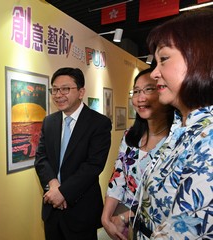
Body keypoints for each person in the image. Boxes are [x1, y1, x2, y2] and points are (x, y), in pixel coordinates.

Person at [134, 9, 213, 239]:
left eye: (164, 59)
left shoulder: (208, 140)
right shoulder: (183, 127)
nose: (155, 73)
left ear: (198, 57)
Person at [34, 67, 112, 240]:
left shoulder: (99, 123)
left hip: (81, 211)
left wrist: (63, 192)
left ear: (81, 92)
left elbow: (93, 166)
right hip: (51, 211)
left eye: (65, 89)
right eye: (54, 89)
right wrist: (53, 185)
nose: (58, 94)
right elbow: (41, 158)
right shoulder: (49, 122)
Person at [101, 68, 174, 240]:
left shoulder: (176, 141)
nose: (140, 98)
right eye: (136, 91)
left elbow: (168, 199)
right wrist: (105, 217)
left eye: (149, 89)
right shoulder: (130, 136)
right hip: (124, 225)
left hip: (158, 229)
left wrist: (124, 217)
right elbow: (117, 178)